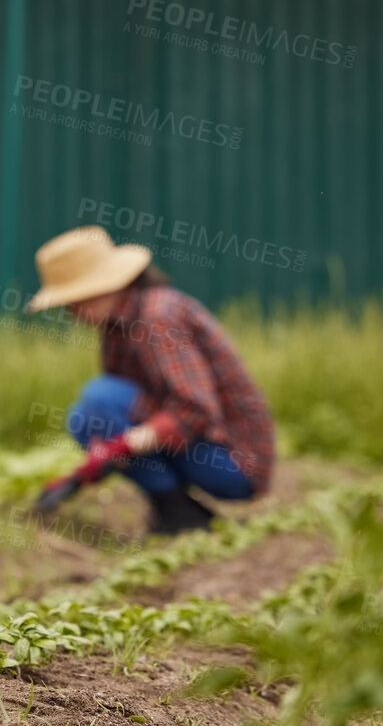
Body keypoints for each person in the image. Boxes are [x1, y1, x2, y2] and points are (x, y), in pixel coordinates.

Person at [26, 226, 275, 535]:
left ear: (100, 288)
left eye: (71, 303)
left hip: (236, 464)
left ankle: (177, 512)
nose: (70, 314)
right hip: (201, 450)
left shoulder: (158, 318)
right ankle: (179, 511)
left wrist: (122, 446)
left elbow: (197, 409)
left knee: (99, 402)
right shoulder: (118, 326)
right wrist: (92, 467)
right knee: (86, 420)